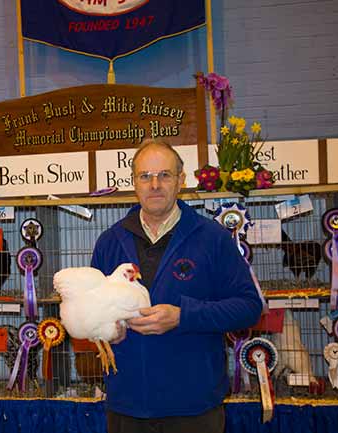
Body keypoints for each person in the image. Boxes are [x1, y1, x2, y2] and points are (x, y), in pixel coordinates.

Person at [91, 139, 263, 433]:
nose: (154, 184)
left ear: (181, 181)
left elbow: (249, 307)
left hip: (194, 409)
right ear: (134, 183)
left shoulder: (212, 238)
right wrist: (106, 332)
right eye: (145, 176)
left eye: (165, 175)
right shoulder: (109, 242)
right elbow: (91, 312)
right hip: (127, 407)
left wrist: (183, 316)